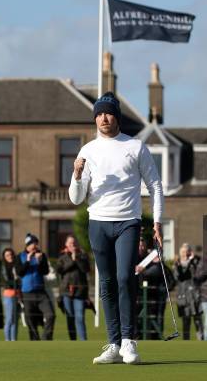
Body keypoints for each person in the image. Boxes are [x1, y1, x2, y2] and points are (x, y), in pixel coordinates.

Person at [69, 92, 163, 364]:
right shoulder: (87, 151)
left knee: (125, 278)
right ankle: (112, 344)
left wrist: (157, 220)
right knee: (107, 282)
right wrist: (76, 175)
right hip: (98, 222)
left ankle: (129, 341)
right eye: (98, 114)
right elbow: (76, 197)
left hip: (127, 222)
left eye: (108, 113)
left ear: (117, 116)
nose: (103, 118)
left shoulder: (135, 147)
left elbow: (155, 185)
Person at [15, 233, 55, 340]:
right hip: (27, 293)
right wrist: (28, 261)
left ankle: (46, 338)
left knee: (50, 315)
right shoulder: (20, 256)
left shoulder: (42, 255)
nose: (34, 245)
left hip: (41, 292)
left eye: (36, 243)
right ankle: (35, 341)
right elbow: (20, 272)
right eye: (32, 243)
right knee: (30, 320)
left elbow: (45, 271)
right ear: (27, 245)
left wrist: (40, 260)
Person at [135, 239, 174, 340]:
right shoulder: (136, 259)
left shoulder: (154, 263)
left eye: (143, 245)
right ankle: (138, 336)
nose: (141, 248)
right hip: (139, 294)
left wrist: (158, 263)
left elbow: (162, 274)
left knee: (156, 318)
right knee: (138, 318)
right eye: (139, 246)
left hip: (154, 296)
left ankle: (155, 337)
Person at [57, 235, 90, 341]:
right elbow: (60, 270)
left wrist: (77, 259)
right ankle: (73, 340)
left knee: (80, 316)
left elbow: (86, 269)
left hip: (80, 291)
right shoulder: (62, 256)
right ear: (66, 244)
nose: (73, 245)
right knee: (70, 317)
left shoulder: (83, 255)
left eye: (74, 243)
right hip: (66, 291)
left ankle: (83, 340)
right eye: (70, 243)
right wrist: (72, 261)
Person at [173, 243, 203, 340]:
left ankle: (202, 342)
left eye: (187, 251)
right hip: (183, 296)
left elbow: (197, 275)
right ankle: (186, 343)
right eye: (183, 252)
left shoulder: (195, 262)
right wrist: (177, 266)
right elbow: (177, 277)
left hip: (195, 296)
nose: (185, 253)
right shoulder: (177, 264)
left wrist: (193, 260)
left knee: (198, 321)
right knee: (186, 322)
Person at [1, 247, 20, 341]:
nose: (10, 257)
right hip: (9, 295)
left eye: (11, 254)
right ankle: (7, 340)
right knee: (9, 319)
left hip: (18, 295)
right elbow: (6, 282)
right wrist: (16, 280)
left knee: (15, 320)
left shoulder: (16, 265)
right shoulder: (4, 268)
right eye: (7, 255)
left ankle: (14, 340)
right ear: (4, 257)